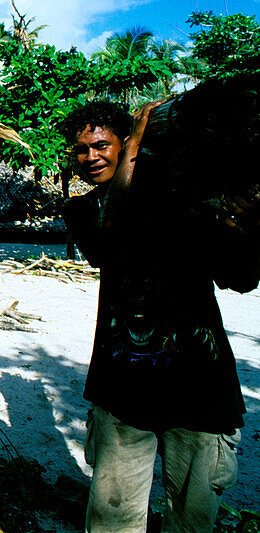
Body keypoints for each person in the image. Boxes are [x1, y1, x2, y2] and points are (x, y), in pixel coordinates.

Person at [61, 100, 255, 532]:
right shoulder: (84, 210)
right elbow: (110, 238)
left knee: (192, 518)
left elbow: (239, 277)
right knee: (114, 518)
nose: (90, 157)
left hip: (199, 387)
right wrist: (133, 152)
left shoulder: (180, 201)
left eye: (101, 146)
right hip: (122, 389)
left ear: (124, 142)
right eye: (81, 149)